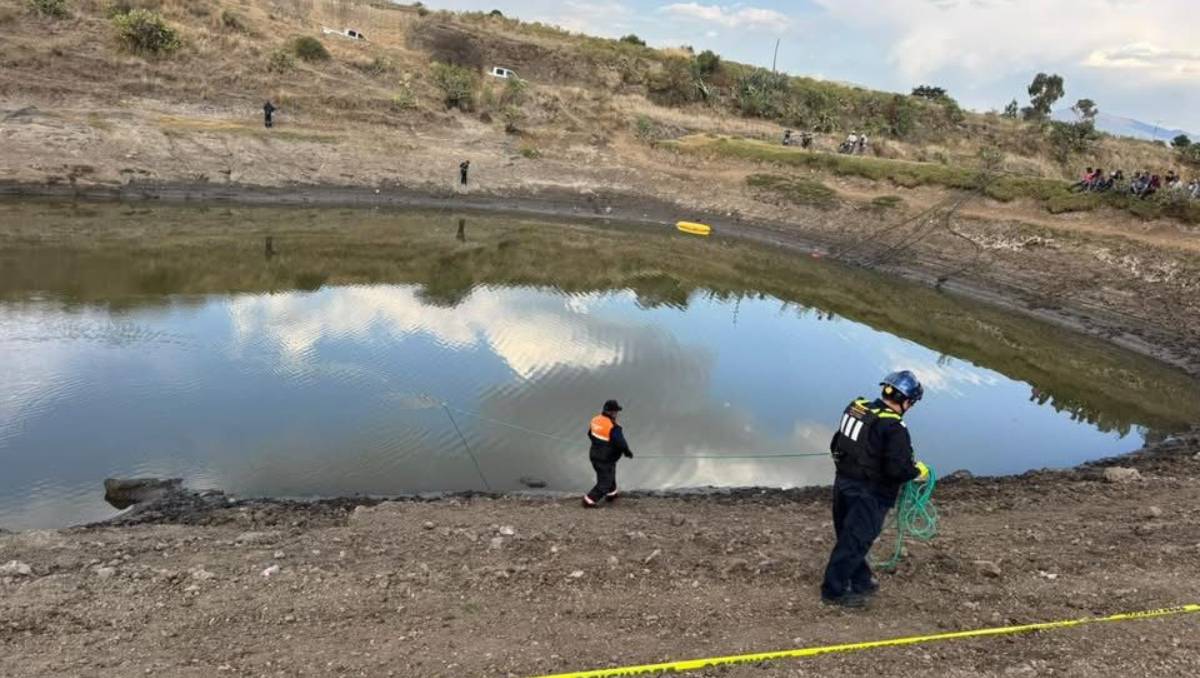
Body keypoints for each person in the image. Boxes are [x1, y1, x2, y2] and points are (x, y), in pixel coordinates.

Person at [821, 370, 930, 608]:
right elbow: (897, 469)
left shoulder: (859, 410)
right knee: (855, 541)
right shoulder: (895, 428)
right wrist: (918, 471)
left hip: (843, 484)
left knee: (849, 536)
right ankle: (833, 591)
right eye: (912, 402)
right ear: (906, 401)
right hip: (870, 494)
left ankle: (861, 580)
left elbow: (836, 443)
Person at [583, 399, 633, 508]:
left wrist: (599, 443)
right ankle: (589, 500)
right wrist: (627, 452)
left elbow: (590, 434)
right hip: (606, 458)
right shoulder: (614, 427)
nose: (617, 414)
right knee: (605, 482)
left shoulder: (595, 420)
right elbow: (621, 443)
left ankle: (612, 494)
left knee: (610, 475)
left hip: (594, 455)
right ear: (611, 412)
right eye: (616, 411)